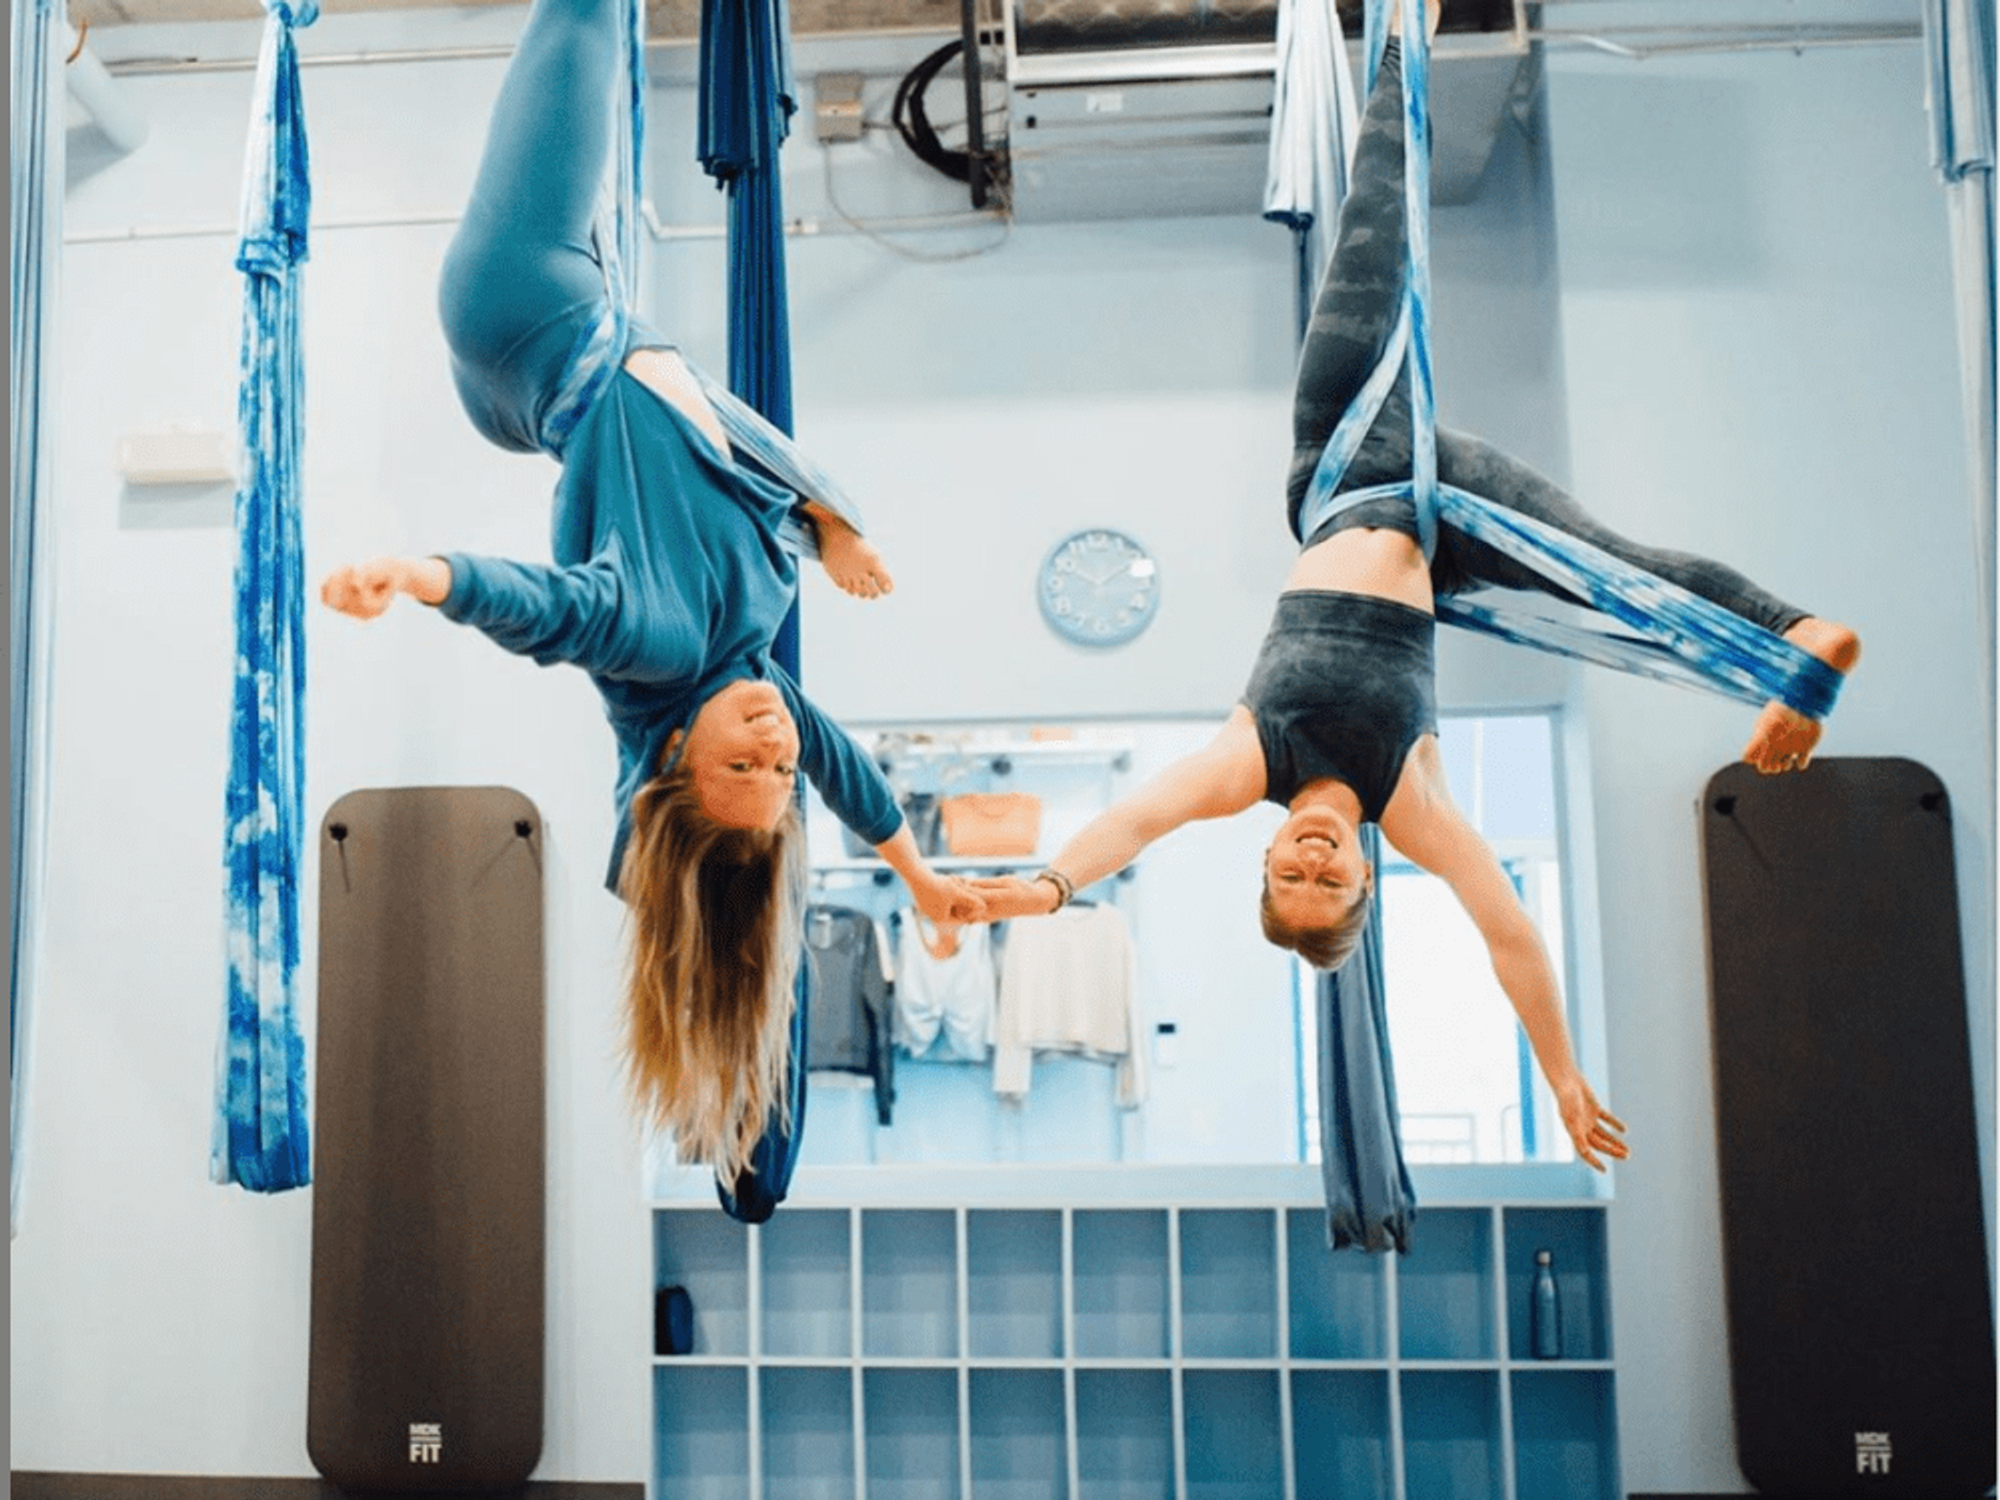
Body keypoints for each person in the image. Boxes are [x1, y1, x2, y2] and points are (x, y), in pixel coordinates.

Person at [973, 11, 1859, 1173]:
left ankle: (1402, 38)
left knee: (1372, 231)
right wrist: (1556, 1070)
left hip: (1350, 461)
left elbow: (1135, 820)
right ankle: (1798, 645)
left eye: (1284, 874)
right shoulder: (1409, 801)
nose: (1304, 857)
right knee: (1612, 576)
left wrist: (1045, 884)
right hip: (1453, 537)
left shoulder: (1256, 760)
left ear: (1265, 861)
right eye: (1322, 880)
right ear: (1360, 883)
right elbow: (1507, 935)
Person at [318, 0, 981, 1184]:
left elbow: (543, 608)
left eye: (744, 764)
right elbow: (850, 770)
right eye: (775, 776)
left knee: (580, 14)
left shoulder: (657, 641)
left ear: (672, 756)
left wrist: (420, 576)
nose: (776, 747)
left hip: (528, 303)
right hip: (540, 393)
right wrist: (920, 876)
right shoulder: (746, 677)